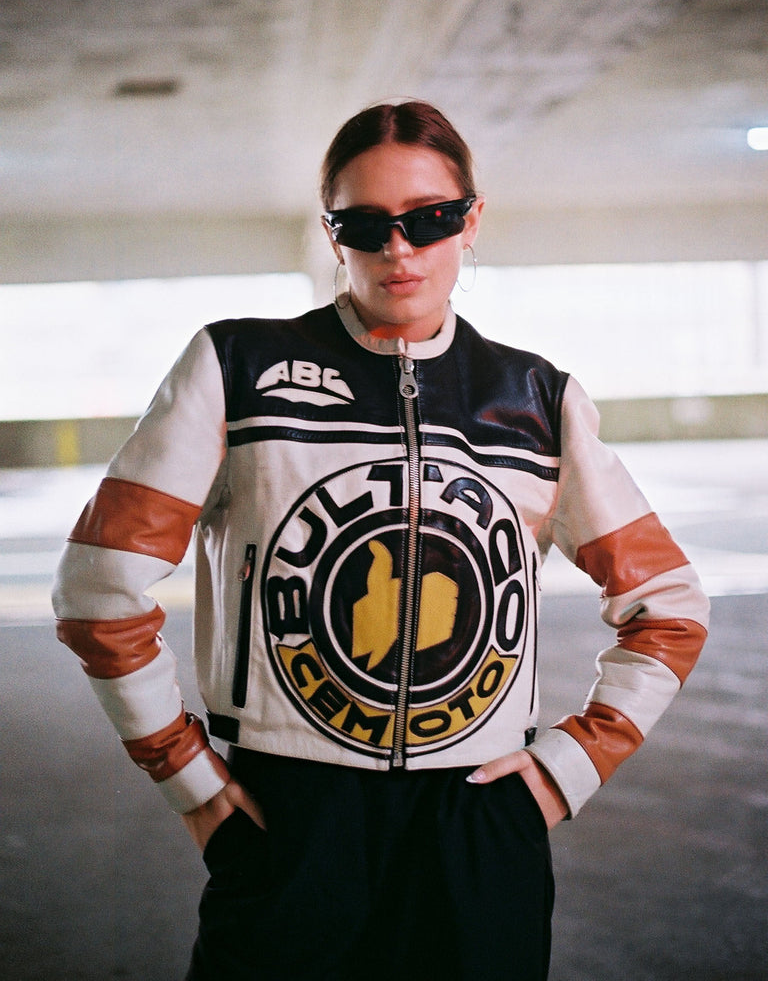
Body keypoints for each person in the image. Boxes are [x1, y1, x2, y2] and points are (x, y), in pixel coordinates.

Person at [52, 100, 709, 981]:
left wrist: (567, 770)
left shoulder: (537, 399)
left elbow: (669, 608)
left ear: (471, 219)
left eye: (429, 219)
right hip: (289, 819)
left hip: (478, 823)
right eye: (365, 225)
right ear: (332, 233)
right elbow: (98, 588)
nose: (399, 249)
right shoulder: (236, 368)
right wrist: (187, 773)